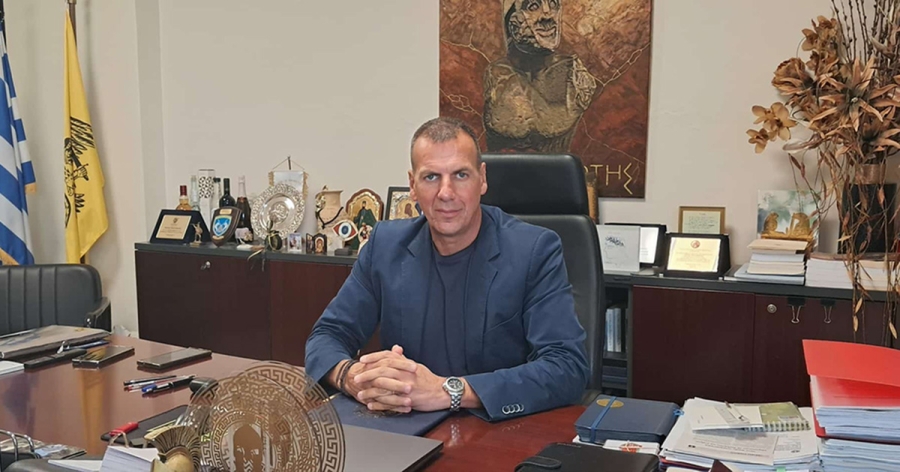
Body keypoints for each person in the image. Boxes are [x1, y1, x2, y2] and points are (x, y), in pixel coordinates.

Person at [305, 117, 588, 421]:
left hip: (495, 429)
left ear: (482, 179)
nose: (446, 193)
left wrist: (447, 391)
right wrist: (353, 377)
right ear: (412, 186)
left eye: (460, 175)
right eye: (431, 177)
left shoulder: (533, 250)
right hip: (406, 424)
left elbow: (566, 367)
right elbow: (327, 335)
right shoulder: (385, 246)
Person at [483, 0, 597, 153]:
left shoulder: (574, 75)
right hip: (503, 167)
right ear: (512, 22)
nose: (547, 15)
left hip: (557, 167)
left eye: (553, 5)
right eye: (533, 6)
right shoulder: (495, 74)